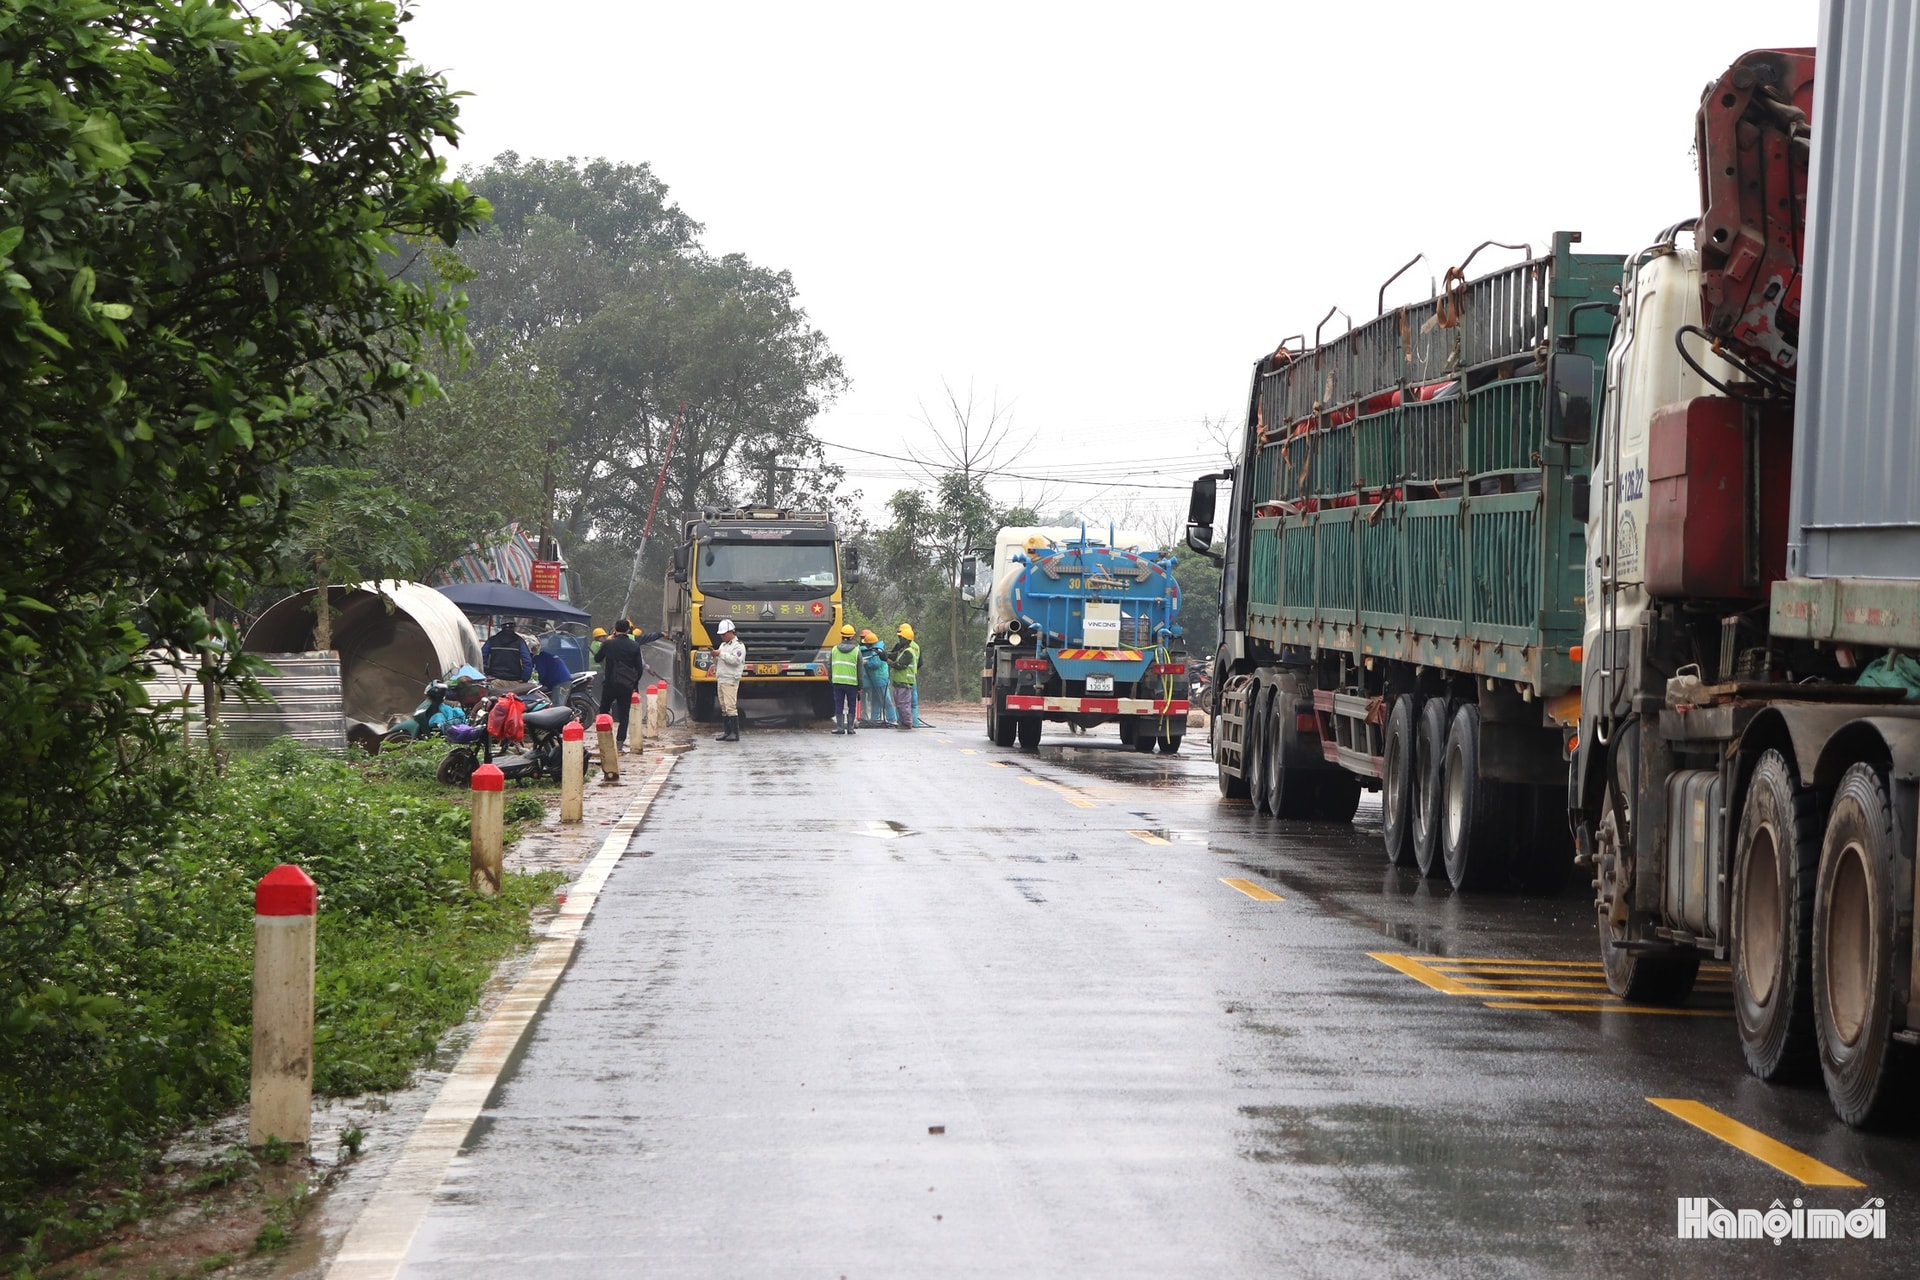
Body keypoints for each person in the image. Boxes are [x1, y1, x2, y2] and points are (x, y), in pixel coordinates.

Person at [595, 617, 661, 749]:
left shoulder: (608, 644)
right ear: (628, 630)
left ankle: (604, 740)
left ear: (615, 629)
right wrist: (634, 683)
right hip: (626, 685)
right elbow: (639, 668)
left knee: (604, 711)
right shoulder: (634, 645)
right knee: (624, 714)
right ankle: (620, 743)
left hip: (610, 683)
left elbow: (597, 658)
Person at [713, 617, 747, 741]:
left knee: (730, 706)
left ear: (731, 632)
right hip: (721, 678)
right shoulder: (723, 645)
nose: (722, 637)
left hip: (731, 679)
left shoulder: (738, 646)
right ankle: (727, 732)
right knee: (723, 707)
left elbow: (735, 660)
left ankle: (734, 733)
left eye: (723, 634)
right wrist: (715, 656)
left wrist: (720, 654)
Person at [828, 624, 861, 735]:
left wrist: (831, 680)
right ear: (852, 636)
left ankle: (840, 728)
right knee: (852, 705)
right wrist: (860, 686)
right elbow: (860, 670)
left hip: (837, 682)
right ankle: (850, 728)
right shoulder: (856, 651)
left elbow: (830, 667)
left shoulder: (834, 650)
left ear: (841, 636)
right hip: (852, 683)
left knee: (839, 704)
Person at [886, 622, 920, 730]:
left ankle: (907, 723)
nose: (899, 639)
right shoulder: (907, 649)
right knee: (903, 704)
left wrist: (890, 663)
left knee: (905, 704)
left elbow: (900, 664)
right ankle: (907, 722)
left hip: (905, 681)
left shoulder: (908, 652)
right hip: (903, 680)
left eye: (901, 637)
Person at [858, 629, 893, 725]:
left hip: (881, 678)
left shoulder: (877, 650)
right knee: (876, 701)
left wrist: (866, 663)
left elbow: (876, 664)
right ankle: (874, 719)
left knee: (885, 700)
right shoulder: (872, 649)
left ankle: (892, 719)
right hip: (875, 679)